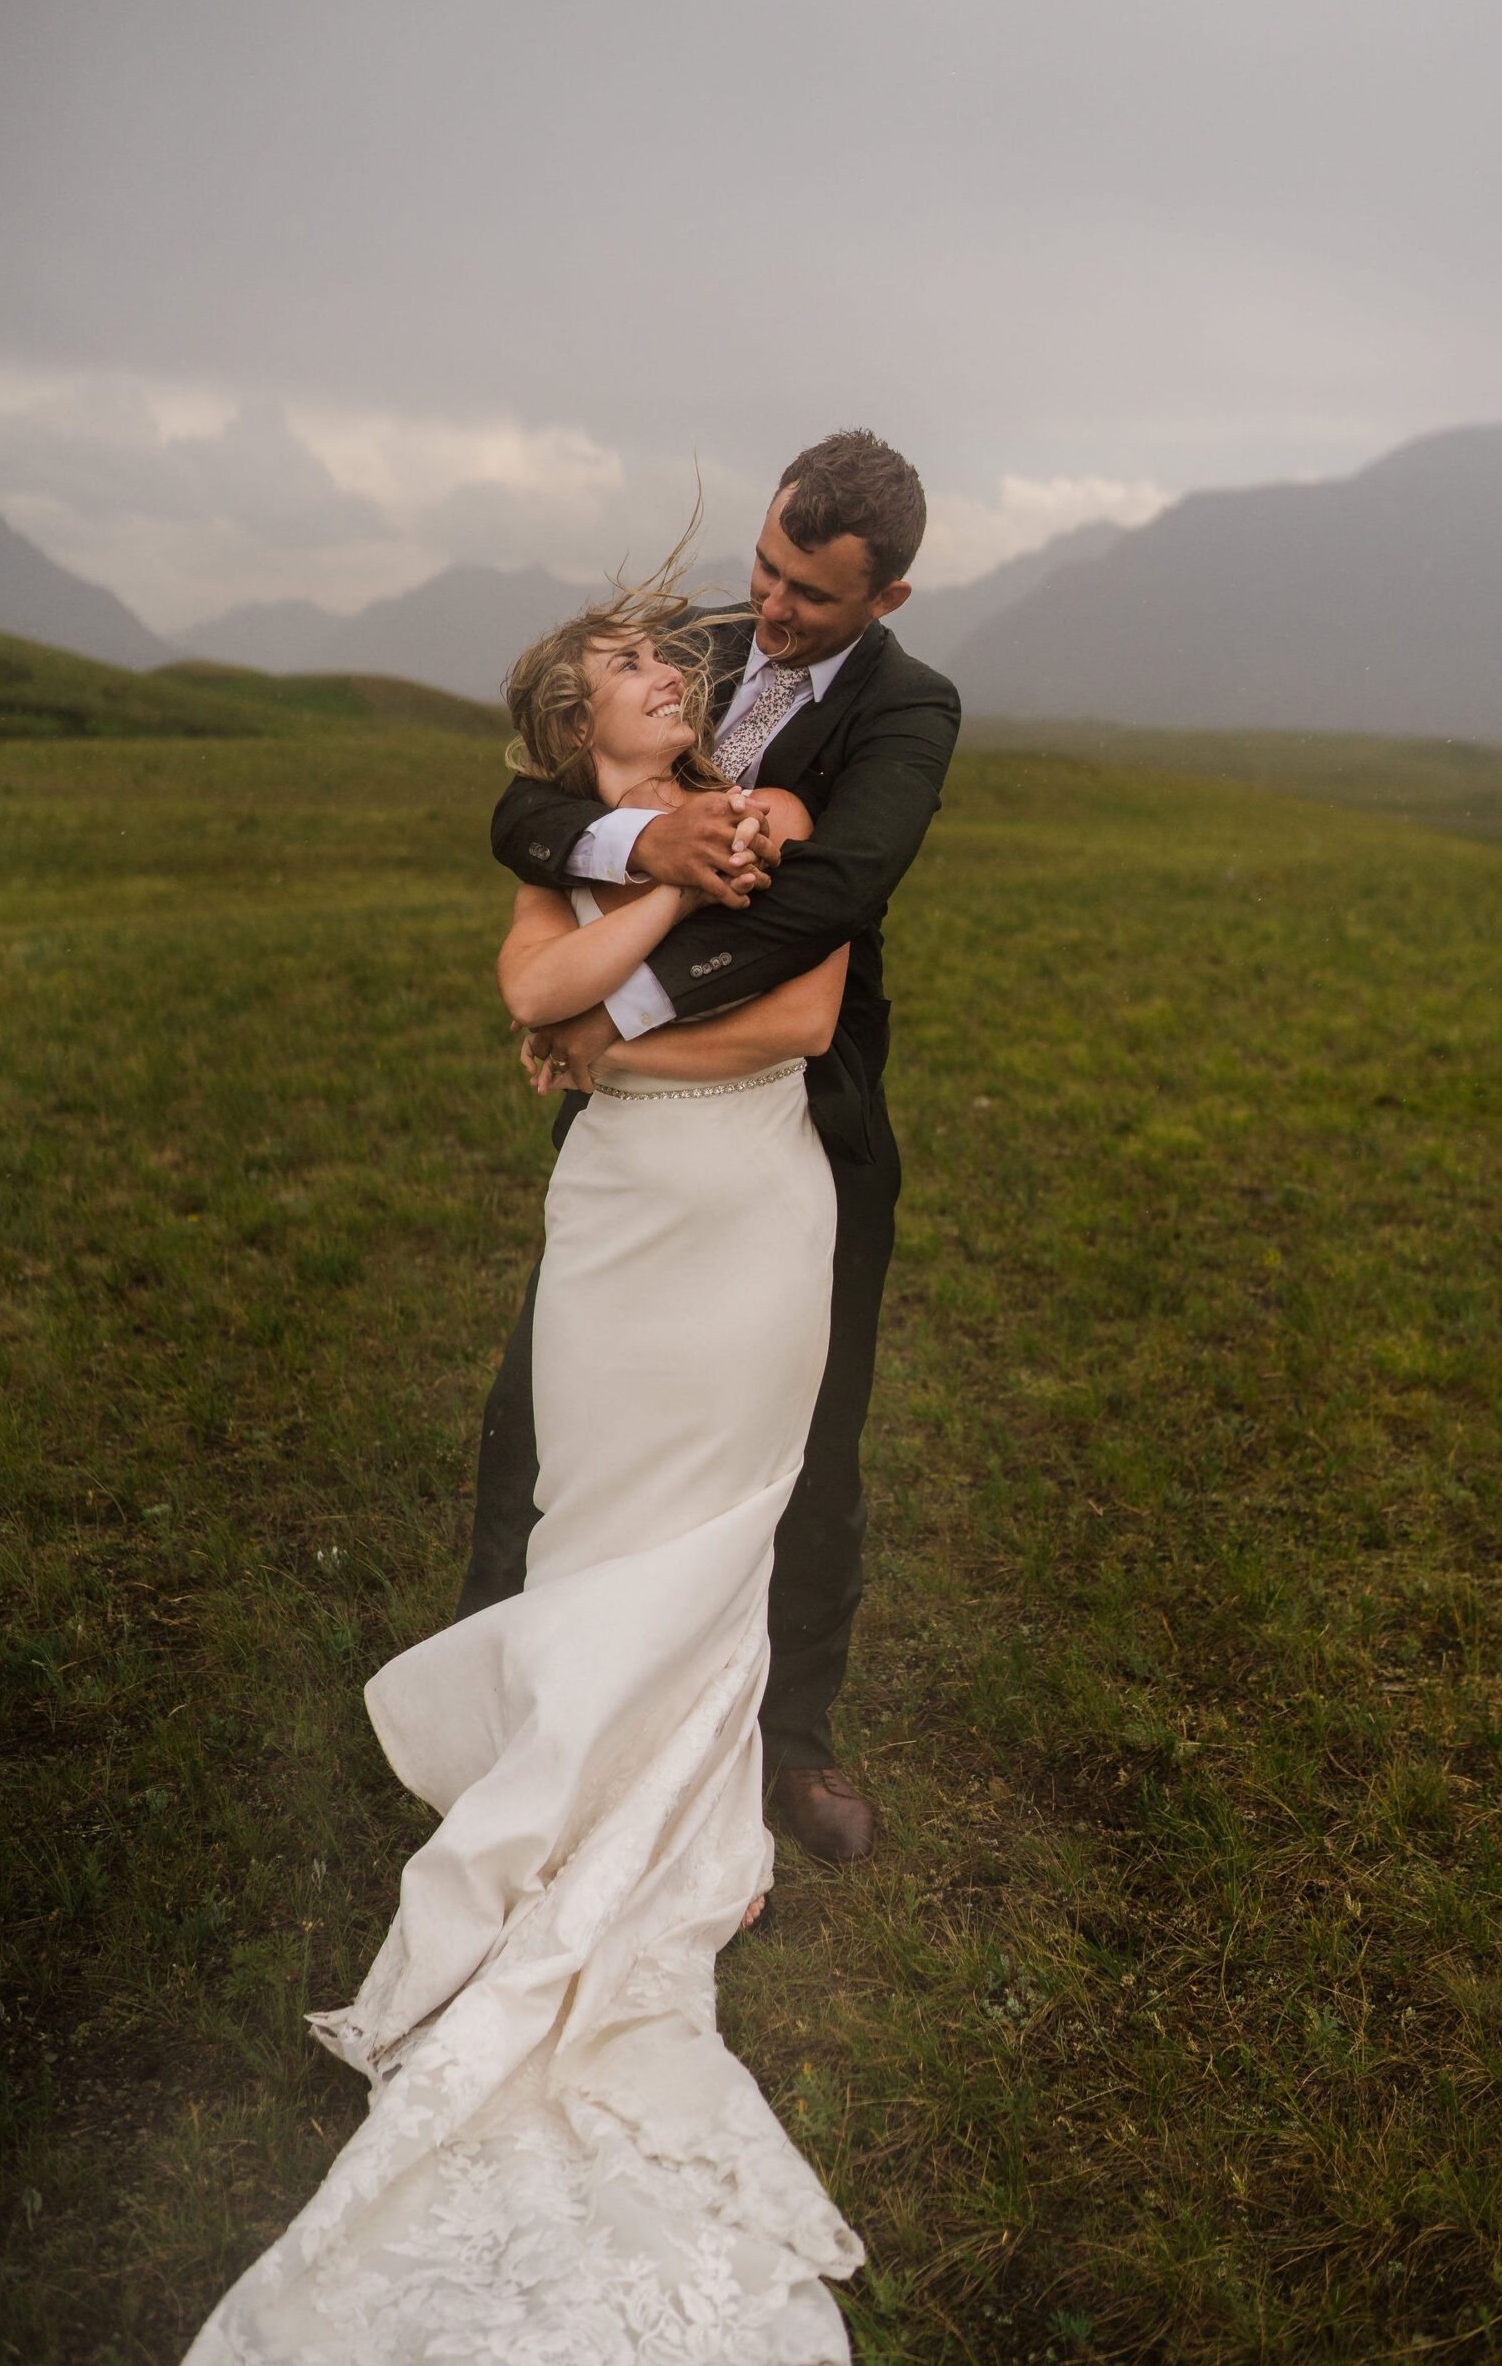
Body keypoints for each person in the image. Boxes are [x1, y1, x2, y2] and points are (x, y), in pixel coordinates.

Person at [187, 570, 866, 2362]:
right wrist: (640, 901)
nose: (662, 673)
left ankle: (681, 1829)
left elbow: (795, 1018)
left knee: (717, 1523)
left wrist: (597, 1041)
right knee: (590, 1517)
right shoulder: (600, 842)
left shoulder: (771, 814)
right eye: (623, 669)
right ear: (580, 738)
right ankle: (570, 1800)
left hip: (745, 1203)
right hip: (616, 1223)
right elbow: (530, 977)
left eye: (659, 657)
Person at [459, 430, 962, 1864]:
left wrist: (613, 1015)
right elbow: (523, 801)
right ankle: (515, 1700)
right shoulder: (701, 651)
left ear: (889, 599)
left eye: (808, 592)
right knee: (543, 1416)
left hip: (801, 1126)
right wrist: (643, 851)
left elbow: (841, 891)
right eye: (765, 565)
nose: (769, 608)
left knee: (812, 1435)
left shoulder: (911, 711)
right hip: (633, 1151)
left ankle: (785, 1743)